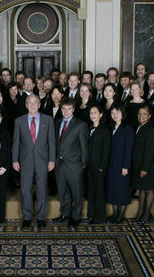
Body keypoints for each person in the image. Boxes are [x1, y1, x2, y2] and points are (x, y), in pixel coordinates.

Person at [12, 95, 56, 229]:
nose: (32, 105)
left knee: (42, 189)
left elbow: (52, 142)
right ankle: (27, 217)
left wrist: (52, 159)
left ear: (39, 105)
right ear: (26, 105)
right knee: (25, 190)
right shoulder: (19, 121)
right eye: (29, 103)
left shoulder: (48, 120)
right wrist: (14, 160)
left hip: (43, 160)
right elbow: (16, 142)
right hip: (25, 161)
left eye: (35, 103)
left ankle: (41, 218)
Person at [53, 97, 89, 229]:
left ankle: (76, 216)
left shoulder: (81, 125)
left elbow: (84, 146)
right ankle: (65, 214)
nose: (66, 112)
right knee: (63, 192)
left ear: (73, 109)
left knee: (77, 192)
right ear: (60, 109)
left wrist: (83, 164)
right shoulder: (56, 123)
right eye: (64, 109)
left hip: (75, 165)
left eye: (69, 109)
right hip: (60, 164)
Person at [106, 104, 134, 223]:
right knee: (113, 189)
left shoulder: (127, 128)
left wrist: (125, 166)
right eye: (112, 113)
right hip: (112, 164)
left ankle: (120, 215)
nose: (115, 115)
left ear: (122, 113)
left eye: (117, 112)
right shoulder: (111, 127)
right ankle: (115, 214)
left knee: (122, 190)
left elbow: (129, 149)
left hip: (122, 165)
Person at [132, 106, 154, 224]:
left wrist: (145, 168)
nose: (141, 116)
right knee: (141, 189)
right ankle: (140, 212)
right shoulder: (139, 127)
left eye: (144, 114)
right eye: (139, 114)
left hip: (147, 165)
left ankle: (146, 214)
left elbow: (149, 151)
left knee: (149, 190)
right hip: (139, 164)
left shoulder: (150, 130)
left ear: (149, 116)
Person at [86, 105, 111, 224]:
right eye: (91, 113)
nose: (93, 115)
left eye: (95, 112)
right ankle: (92, 214)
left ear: (101, 115)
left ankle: (100, 216)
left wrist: (102, 166)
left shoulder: (104, 130)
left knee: (99, 192)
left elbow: (106, 150)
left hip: (99, 167)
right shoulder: (90, 128)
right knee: (92, 190)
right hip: (90, 165)